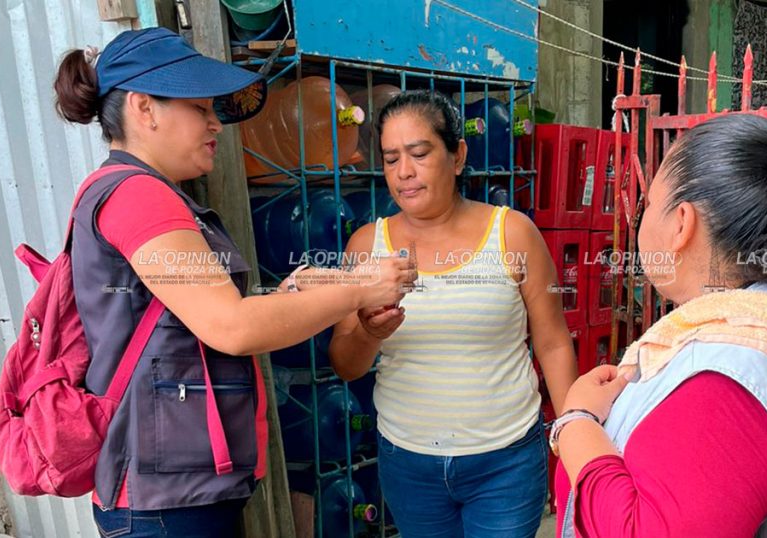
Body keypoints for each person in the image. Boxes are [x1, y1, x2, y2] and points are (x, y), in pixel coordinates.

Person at [52, 27, 415, 537]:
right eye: (199, 109)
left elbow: (188, 320)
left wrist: (288, 297)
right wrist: (361, 289)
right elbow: (233, 327)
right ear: (144, 108)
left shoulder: (144, 193)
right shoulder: (140, 197)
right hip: (165, 503)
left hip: (172, 491)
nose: (215, 125)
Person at [554, 114, 767, 537]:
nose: (642, 218)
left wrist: (576, 420)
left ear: (681, 224)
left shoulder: (727, 371)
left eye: (648, 204)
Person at [328, 90, 579, 538]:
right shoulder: (368, 246)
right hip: (408, 462)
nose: (404, 172)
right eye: (389, 159)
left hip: (506, 461)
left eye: (419, 153)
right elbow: (346, 364)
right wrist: (368, 332)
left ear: (458, 155)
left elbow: (553, 341)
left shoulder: (513, 234)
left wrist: (574, 437)